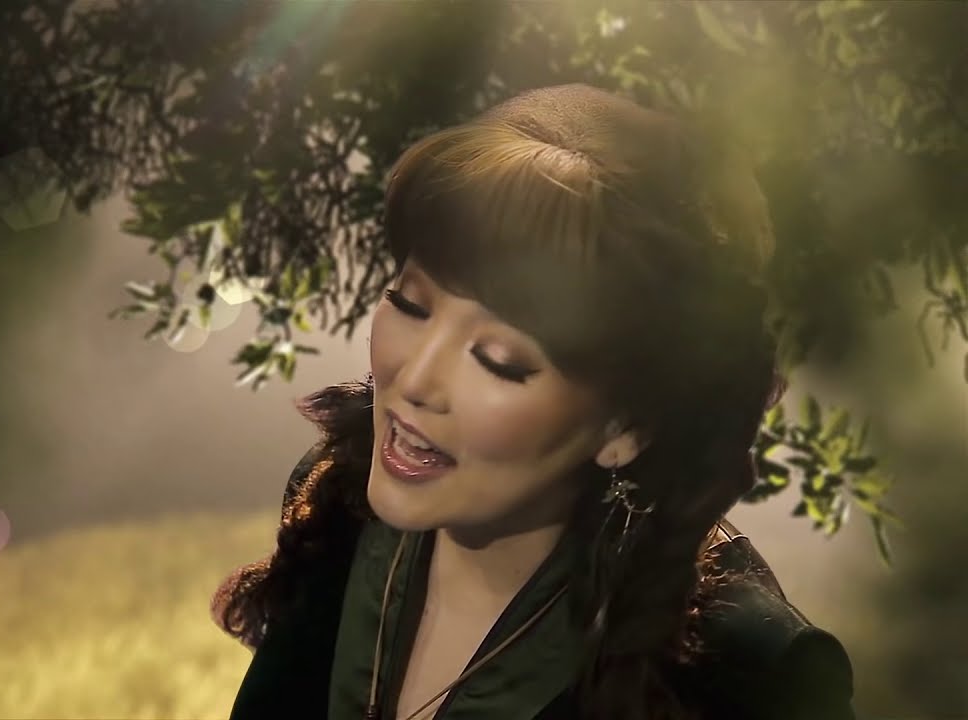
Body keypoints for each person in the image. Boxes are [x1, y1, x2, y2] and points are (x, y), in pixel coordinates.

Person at [210, 84, 855, 720]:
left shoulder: (753, 677)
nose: (415, 380)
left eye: (500, 360)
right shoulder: (339, 500)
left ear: (627, 424)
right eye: (410, 303)